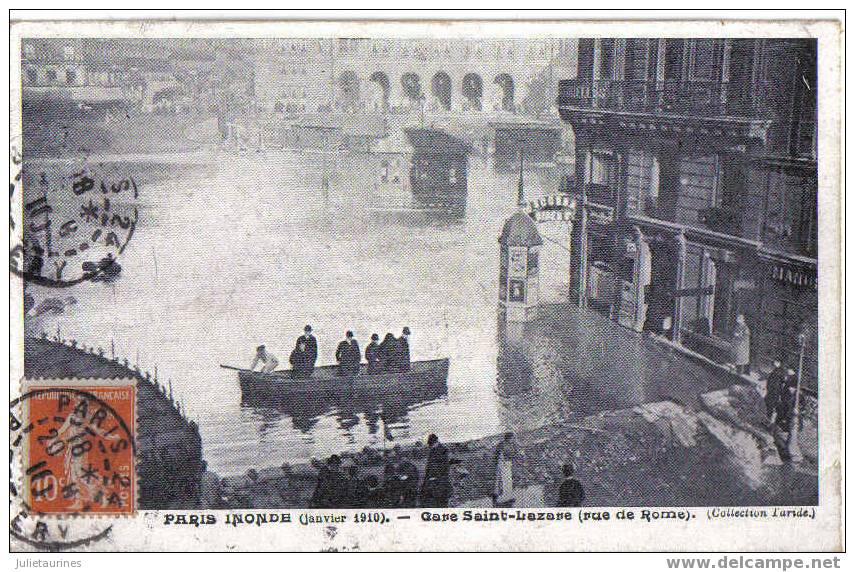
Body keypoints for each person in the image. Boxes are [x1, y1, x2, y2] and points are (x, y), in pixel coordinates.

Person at [420, 434, 452, 508]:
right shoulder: (432, 451)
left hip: (441, 481)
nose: (431, 446)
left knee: (442, 502)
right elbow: (429, 466)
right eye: (430, 444)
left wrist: (436, 476)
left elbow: (445, 466)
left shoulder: (444, 450)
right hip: (432, 481)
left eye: (432, 444)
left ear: (437, 441)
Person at [492, 432, 522, 507]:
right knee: (503, 480)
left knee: (508, 480)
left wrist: (517, 454)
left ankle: (507, 496)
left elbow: (515, 452)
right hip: (502, 463)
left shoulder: (511, 445)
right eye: (512, 438)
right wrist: (500, 461)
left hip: (508, 462)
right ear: (508, 438)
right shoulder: (502, 444)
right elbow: (498, 454)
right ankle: (501, 498)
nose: (513, 439)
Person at [764, 358, 789, 423]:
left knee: (772, 406)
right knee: (768, 403)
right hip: (771, 390)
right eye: (775, 362)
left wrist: (781, 392)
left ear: (779, 363)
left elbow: (784, 381)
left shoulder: (781, 371)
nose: (775, 363)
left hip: (775, 391)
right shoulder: (775, 370)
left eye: (776, 362)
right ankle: (768, 420)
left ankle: (770, 422)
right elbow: (770, 380)